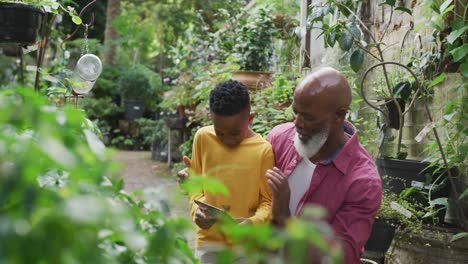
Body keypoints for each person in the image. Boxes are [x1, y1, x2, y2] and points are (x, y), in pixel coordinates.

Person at [266, 67, 382, 263]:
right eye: (295, 112)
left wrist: (285, 219)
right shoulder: (278, 139)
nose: (297, 123)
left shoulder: (363, 182)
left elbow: (340, 257)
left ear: (339, 116)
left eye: (309, 117)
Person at [185, 80, 274, 263]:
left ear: (250, 119)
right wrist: (196, 210)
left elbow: (268, 201)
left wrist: (253, 222)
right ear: (211, 118)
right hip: (208, 242)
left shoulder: (263, 151)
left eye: (235, 133)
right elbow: (196, 186)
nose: (227, 140)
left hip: (245, 245)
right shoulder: (202, 137)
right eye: (220, 133)